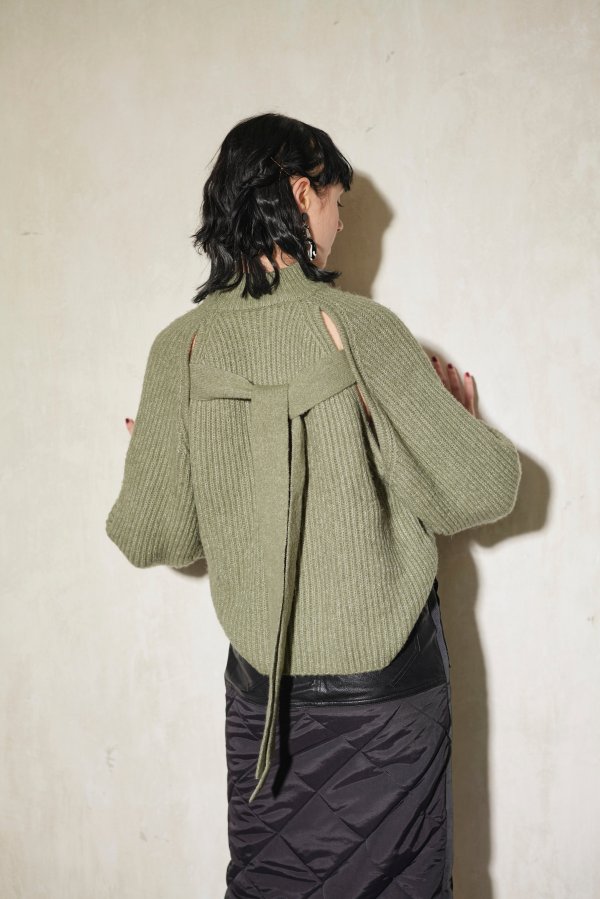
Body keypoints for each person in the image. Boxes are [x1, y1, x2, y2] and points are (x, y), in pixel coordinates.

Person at [106, 112, 522, 898]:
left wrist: (154, 459)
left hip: (263, 708)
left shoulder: (179, 349)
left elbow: (154, 533)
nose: (341, 225)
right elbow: (486, 487)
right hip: (387, 708)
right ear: (302, 195)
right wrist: (458, 424)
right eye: (337, 204)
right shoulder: (360, 328)